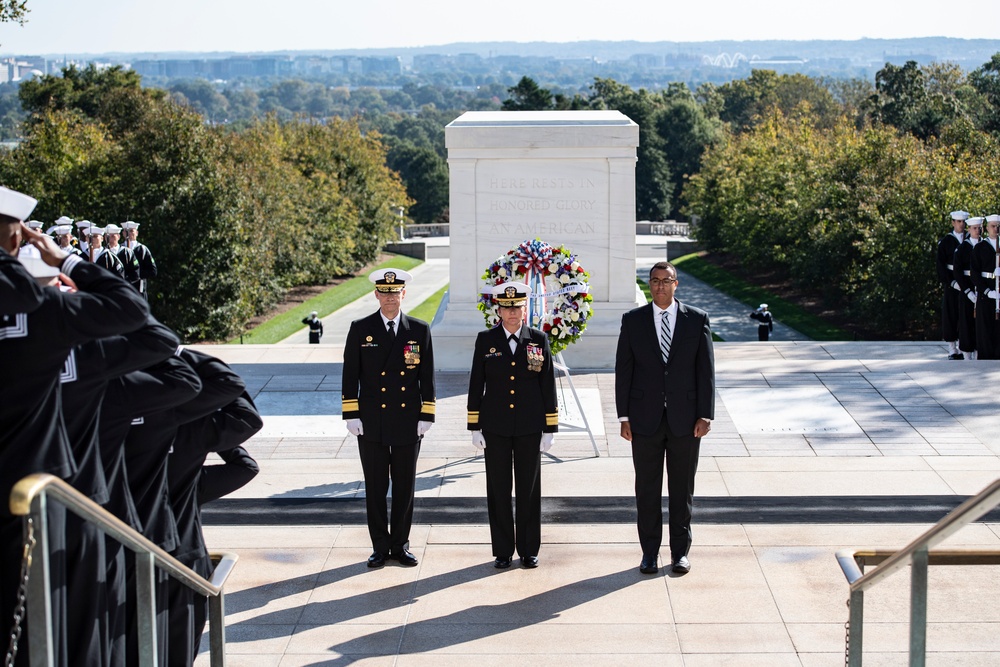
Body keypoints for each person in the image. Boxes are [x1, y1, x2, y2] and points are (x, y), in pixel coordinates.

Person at [615, 261, 715, 576]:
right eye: (655, 281)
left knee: (682, 489)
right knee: (646, 490)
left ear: (676, 283)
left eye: (666, 280)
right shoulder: (633, 321)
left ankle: (680, 554)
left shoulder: (697, 320)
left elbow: (706, 372)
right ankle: (648, 554)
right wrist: (624, 416)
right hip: (644, 420)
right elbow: (624, 371)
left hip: (686, 421)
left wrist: (705, 414)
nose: (660, 286)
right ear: (649, 284)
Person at [342, 268, 435, 569]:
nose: (390, 298)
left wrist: (427, 413)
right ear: (377, 295)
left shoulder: (418, 330)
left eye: (395, 293)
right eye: (385, 292)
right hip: (372, 421)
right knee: (376, 486)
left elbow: (427, 375)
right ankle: (380, 546)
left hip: (408, 419)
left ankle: (401, 544)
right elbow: (350, 375)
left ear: (403, 294)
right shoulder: (361, 328)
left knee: (405, 486)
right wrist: (351, 414)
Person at [467, 282, 557, 569]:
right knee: (498, 489)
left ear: (524, 308)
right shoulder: (485, 340)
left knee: (529, 490)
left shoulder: (538, 339)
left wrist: (549, 428)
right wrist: (474, 426)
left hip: (530, 426)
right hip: (495, 427)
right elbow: (475, 384)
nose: (512, 312)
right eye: (506, 307)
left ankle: (529, 549)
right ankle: (503, 550)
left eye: (517, 307)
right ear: (499, 310)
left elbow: (547, 385)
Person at [938, 210, 969, 359]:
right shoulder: (946, 242)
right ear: (953, 223)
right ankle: (952, 348)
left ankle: (965, 347)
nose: (961, 225)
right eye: (958, 222)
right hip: (952, 283)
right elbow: (941, 266)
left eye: (963, 222)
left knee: (966, 315)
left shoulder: (970, 240)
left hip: (967, 282)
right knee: (951, 315)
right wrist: (951, 282)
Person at [954, 216, 983, 360]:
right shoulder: (962, 248)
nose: (978, 231)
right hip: (967, 289)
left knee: (980, 323)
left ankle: (979, 350)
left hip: (981, 289)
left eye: (979, 228)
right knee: (966, 321)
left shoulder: (984, 246)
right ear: (969, 230)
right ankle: (966, 352)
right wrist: (967, 291)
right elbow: (958, 272)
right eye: (975, 228)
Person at [973, 214, 1000, 359]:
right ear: (987, 228)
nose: (996, 229)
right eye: (993, 226)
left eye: (998, 226)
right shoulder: (980, 247)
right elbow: (975, 273)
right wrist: (986, 291)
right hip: (986, 293)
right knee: (985, 329)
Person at [121, 221, 157, 300]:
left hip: (139, 290)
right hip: (123, 289)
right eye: (126, 231)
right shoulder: (120, 250)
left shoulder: (142, 249)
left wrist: (135, 275)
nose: (129, 234)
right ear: (123, 233)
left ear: (136, 233)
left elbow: (153, 271)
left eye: (131, 231)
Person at [105, 222, 142, 291]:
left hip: (125, 288)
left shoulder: (127, 252)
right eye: (108, 236)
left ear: (118, 237)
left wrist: (125, 282)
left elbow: (135, 272)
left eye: (113, 236)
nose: (110, 239)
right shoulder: (103, 254)